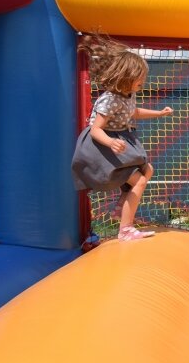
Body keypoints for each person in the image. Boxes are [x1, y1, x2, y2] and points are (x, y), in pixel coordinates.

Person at [71, 34, 173, 242]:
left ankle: (122, 205)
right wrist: (110, 142)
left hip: (119, 140)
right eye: (140, 79)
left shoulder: (128, 95)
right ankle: (125, 229)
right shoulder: (109, 99)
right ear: (126, 77)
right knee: (139, 181)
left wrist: (159, 113)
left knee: (147, 171)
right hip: (101, 144)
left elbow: (133, 112)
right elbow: (95, 129)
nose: (142, 82)